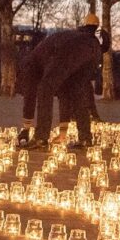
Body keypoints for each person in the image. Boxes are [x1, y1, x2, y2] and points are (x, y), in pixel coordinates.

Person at [17, 13, 110, 150]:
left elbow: (30, 96)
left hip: (71, 51)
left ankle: (41, 139)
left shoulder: (31, 64)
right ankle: (85, 138)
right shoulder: (80, 36)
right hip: (95, 52)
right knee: (76, 93)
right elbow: (64, 94)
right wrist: (63, 132)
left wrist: (26, 128)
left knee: (45, 88)